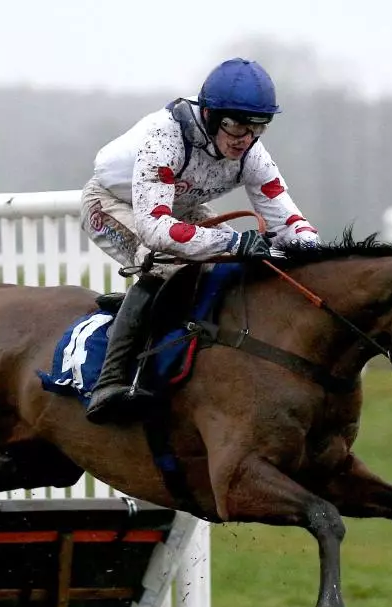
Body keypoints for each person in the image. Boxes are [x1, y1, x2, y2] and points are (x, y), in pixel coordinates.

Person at [79, 57, 320, 424]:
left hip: (178, 206)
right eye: (235, 124)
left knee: (234, 260)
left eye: (258, 126)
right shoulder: (165, 138)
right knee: (165, 261)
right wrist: (234, 243)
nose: (245, 138)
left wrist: (313, 253)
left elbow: (286, 218)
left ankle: (165, 322)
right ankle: (109, 383)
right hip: (114, 204)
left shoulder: (253, 154)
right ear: (208, 115)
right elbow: (156, 229)